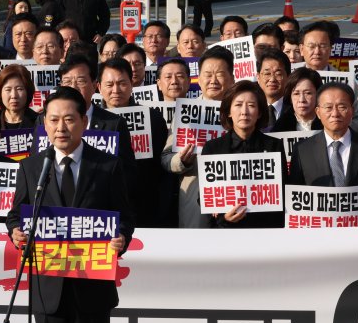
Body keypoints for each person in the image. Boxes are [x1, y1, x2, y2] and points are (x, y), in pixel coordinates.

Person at [6, 86, 134, 323]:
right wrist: (16, 233)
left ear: (84, 121)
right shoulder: (32, 167)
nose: (61, 127)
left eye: (68, 119)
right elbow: (14, 214)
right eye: (53, 120)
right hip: (48, 289)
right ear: (44, 125)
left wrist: (120, 239)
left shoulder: (107, 165)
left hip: (92, 288)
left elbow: (125, 218)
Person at [161, 46, 235, 228]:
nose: (213, 80)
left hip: (233, 195)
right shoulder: (186, 112)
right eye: (208, 74)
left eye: (219, 74)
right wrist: (182, 160)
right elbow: (166, 159)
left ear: (232, 79)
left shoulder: (240, 111)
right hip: (194, 196)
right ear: (199, 80)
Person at [201, 81, 287, 228]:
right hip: (226, 232)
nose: (244, 112)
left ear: (259, 112)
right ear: (228, 111)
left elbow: (282, 192)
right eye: (238, 105)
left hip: (266, 231)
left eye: (251, 106)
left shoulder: (274, 146)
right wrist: (224, 218)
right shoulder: (212, 148)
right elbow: (204, 196)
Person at [97, 58, 171, 227]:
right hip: (104, 205)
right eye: (109, 85)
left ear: (132, 84)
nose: (116, 90)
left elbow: (160, 166)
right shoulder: (89, 121)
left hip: (144, 204)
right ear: (99, 87)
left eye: (122, 83)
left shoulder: (152, 118)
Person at [58, 54, 137, 192]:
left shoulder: (114, 124)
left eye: (81, 81)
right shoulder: (43, 120)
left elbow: (127, 174)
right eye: (67, 82)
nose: (73, 87)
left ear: (94, 85)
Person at [288, 82, 358, 186]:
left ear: (352, 111)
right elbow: (295, 194)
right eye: (328, 107)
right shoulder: (302, 150)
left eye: (342, 107)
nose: (335, 114)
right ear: (318, 112)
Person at [298, 21, 358, 135]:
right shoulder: (291, 79)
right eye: (311, 46)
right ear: (301, 49)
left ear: (331, 48)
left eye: (323, 46)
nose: (317, 51)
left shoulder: (346, 81)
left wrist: (338, 128)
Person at [272, 67, 324, 132]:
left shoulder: (328, 124)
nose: (302, 100)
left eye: (308, 93)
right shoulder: (279, 127)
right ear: (290, 97)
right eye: (296, 94)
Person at [0, 64, 38, 129]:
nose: (14, 95)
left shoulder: (39, 121)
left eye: (19, 89)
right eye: (8, 90)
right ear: (0, 93)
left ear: (28, 91)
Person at [255, 48, 290, 127]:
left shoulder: (295, 109)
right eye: (267, 74)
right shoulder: (252, 109)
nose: (272, 79)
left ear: (288, 77)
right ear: (258, 77)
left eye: (278, 74)